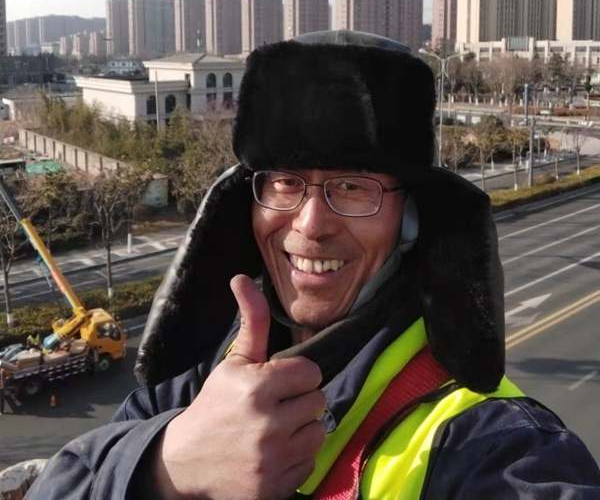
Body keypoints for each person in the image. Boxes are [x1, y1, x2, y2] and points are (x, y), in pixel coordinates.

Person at [26, 31, 600, 499]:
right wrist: (165, 466)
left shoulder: (487, 443)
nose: (310, 224)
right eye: (285, 182)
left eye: (353, 187)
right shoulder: (197, 379)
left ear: (410, 217)